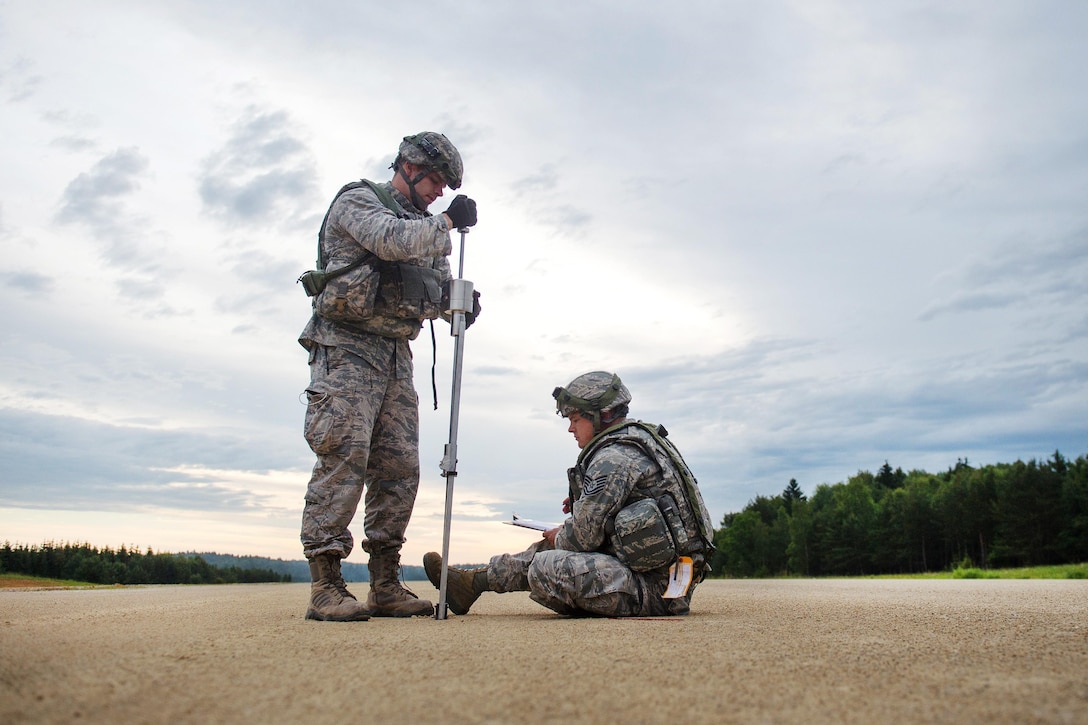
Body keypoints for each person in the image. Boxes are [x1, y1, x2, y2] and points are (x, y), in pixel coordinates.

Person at [299, 132, 479, 621]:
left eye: (445, 187)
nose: (439, 192)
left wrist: (456, 302)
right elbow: (390, 242)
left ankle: (384, 581)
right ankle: (326, 585)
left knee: (399, 468)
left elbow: (434, 281)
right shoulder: (359, 202)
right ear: (409, 166)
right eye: (436, 181)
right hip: (346, 348)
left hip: (396, 355)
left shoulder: (425, 226)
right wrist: (446, 222)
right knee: (343, 455)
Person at [424, 371, 715, 618]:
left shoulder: (613, 458)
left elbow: (582, 538)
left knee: (545, 566)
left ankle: (474, 582)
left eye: (576, 419)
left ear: (601, 416)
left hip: (659, 590)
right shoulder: (638, 441)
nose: (570, 428)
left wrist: (561, 534)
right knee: (555, 546)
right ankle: (473, 583)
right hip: (664, 574)